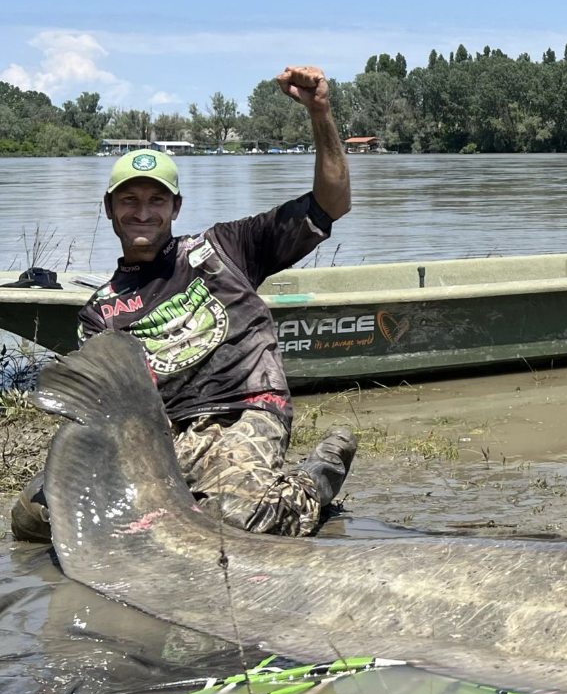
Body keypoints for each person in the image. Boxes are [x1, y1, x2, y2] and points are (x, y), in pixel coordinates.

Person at [12, 65, 358, 542]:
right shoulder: (98, 313)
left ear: (175, 207)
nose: (143, 212)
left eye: (157, 200)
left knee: (238, 520)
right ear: (109, 208)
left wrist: (320, 113)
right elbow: (106, 409)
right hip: (161, 437)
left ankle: (315, 478)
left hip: (243, 411)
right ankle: (194, 496)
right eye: (129, 200)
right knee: (34, 517)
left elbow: (333, 202)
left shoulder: (226, 248)